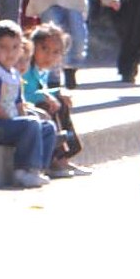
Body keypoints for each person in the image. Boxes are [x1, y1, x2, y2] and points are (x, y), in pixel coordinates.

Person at [0, 19, 57, 188]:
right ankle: (22, 170)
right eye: (3, 47)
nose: (10, 53)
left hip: (12, 122)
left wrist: (26, 120)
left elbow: (19, 103)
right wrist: (17, 123)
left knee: (47, 127)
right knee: (30, 124)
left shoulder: (14, 74)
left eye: (15, 47)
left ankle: (38, 169)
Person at [23, 23, 88, 177]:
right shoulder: (25, 68)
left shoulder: (42, 71)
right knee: (47, 105)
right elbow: (23, 93)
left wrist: (57, 94)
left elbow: (42, 91)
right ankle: (55, 159)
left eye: (56, 52)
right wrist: (46, 96)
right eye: (44, 49)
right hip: (25, 109)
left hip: (34, 106)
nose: (49, 56)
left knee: (60, 104)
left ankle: (63, 157)